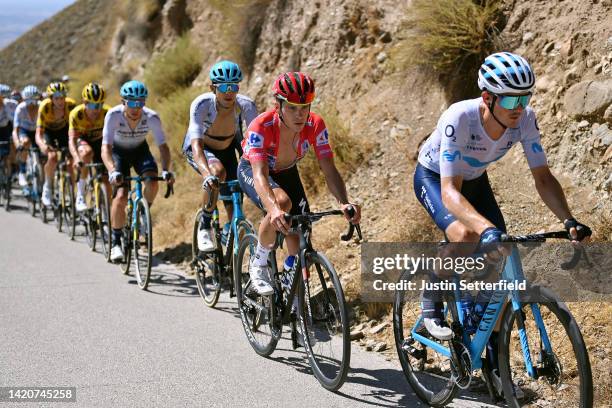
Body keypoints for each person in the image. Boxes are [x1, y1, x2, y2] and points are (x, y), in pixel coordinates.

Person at [413, 51, 591, 398]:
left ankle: (493, 366)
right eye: (511, 98)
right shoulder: (459, 117)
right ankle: (431, 295)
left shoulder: (524, 119)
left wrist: (568, 219)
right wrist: (484, 228)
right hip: (436, 177)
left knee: (499, 263)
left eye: (525, 98)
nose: (519, 106)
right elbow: (450, 192)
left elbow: (542, 177)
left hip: (475, 179)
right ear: (487, 97)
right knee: (465, 235)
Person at [237, 72, 361, 295]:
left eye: (304, 107)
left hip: (286, 172)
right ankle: (259, 263)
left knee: (301, 235)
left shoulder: (315, 125)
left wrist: (344, 202)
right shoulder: (261, 126)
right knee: (282, 204)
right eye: (292, 107)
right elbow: (260, 175)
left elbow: (329, 169)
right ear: (278, 105)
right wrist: (273, 209)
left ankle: (290, 290)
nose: (299, 114)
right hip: (254, 170)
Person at [183, 60, 258, 251]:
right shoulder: (202, 104)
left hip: (227, 149)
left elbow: (255, 144)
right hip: (201, 148)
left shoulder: (246, 105)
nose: (229, 92)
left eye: (233, 86)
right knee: (217, 172)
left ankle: (227, 241)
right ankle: (205, 225)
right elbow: (197, 146)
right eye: (224, 86)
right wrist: (207, 175)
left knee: (235, 208)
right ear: (212, 88)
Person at [102, 80, 174, 262]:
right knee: (120, 196)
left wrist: (166, 169)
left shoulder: (151, 117)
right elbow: (106, 148)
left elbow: (163, 147)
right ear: (123, 102)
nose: (136, 107)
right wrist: (112, 170)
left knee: (153, 180)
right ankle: (116, 242)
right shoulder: (113, 116)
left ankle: (143, 214)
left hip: (140, 151)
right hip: (118, 154)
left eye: (140, 102)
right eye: (131, 103)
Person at [68, 82, 110, 212]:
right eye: (91, 104)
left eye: (99, 104)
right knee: (86, 153)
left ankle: (106, 211)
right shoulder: (76, 114)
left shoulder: (108, 113)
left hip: (100, 142)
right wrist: (76, 158)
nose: (96, 109)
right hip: (83, 140)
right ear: (84, 102)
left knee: (106, 180)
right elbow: (72, 140)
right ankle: (80, 195)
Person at [36, 82, 76, 206]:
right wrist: (42, 145)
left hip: (64, 131)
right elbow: (38, 133)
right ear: (51, 99)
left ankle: (73, 195)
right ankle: (47, 186)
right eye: (56, 98)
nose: (60, 101)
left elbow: (76, 127)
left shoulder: (71, 105)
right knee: (52, 157)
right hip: (48, 132)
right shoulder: (44, 107)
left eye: (62, 97)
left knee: (70, 163)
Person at [12, 85, 41, 187]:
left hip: (37, 130)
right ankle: (22, 172)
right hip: (24, 131)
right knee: (25, 143)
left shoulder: (41, 106)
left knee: (42, 155)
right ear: (24, 100)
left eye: (34, 100)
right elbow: (15, 130)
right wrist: (18, 144)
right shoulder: (20, 108)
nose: (32, 105)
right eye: (29, 101)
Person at [0, 84, 18, 175]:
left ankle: (11, 168)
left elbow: (15, 120)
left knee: (10, 145)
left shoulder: (10, 104)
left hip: (6, 127)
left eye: (5, 97)